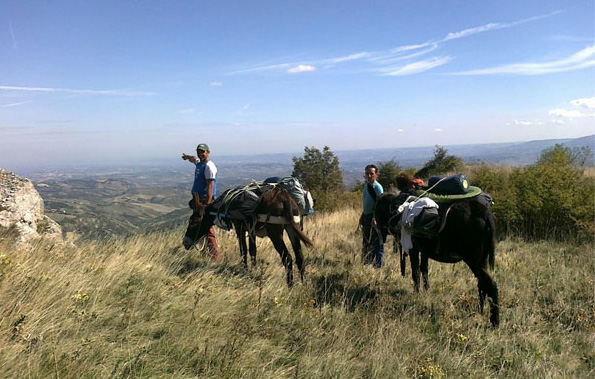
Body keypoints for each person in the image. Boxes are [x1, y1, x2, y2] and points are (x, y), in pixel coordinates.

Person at [182, 143, 220, 260]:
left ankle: (214, 257)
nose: (200, 154)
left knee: (206, 227)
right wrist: (187, 157)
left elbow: (210, 186)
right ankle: (206, 253)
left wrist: (207, 205)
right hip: (198, 200)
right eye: (199, 152)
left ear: (208, 152)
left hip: (204, 200)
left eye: (203, 152)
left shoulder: (209, 166)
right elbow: (194, 159)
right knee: (200, 226)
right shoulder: (199, 163)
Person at [361, 164, 384, 268]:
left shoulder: (378, 187)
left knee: (376, 242)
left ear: (376, 175)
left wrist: (376, 218)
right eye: (367, 173)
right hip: (367, 217)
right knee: (367, 241)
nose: (369, 175)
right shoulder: (366, 187)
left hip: (375, 219)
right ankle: (367, 263)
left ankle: (377, 265)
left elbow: (380, 205)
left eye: (371, 173)